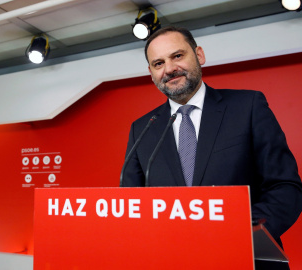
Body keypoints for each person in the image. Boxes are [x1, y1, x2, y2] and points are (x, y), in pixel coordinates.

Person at [120, 26, 302, 267]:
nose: (169, 69)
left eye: (177, 56)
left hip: (247, 258)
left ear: (199, 55)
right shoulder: (142, 128)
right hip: (174, 261)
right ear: (151, 73)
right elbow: (131, 205)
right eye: (158, 63)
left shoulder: (247, 106)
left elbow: (284, 186)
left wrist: (239, 231)